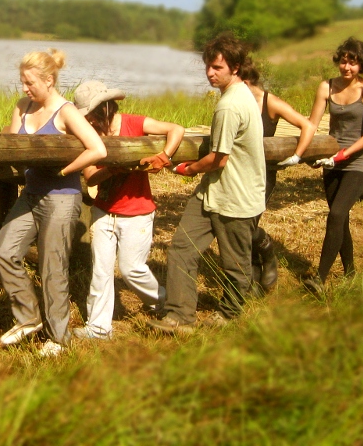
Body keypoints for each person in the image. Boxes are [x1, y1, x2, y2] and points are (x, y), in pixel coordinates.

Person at [147, 33, 266, 334]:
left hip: (235, 196)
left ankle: (230, 314)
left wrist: (188, 168)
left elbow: (218, 159)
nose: (210, 73)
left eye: (217, 68)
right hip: (213, 192)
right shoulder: (241, 95)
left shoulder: (230, 105)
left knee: (235, 264)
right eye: (208, 67)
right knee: (182, 249)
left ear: (236, 68)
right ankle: (179, 317)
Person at [0, 49, 107, 357]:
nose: (24, 89)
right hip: (30, 194)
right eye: (22, 82)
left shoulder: (66, 111)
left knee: (52, 267)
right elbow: (14, 141)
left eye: (30, 83)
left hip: (60, 198)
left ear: (49, 79)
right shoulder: (23, 106)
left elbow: (97, 149)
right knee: (4, 251)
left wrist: (65, 169)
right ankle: (28, 318)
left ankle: (58, 337)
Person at [70, 80, 185, 340]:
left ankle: (162, 302)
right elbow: (91, 177)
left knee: (132, 268)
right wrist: (112, 170)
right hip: (104, 211)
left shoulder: (135, 123)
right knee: (101, 270)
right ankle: (99, 328)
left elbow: (176, 129)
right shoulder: (89, 136)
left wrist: (164, 155)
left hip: (137, 210)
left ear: (103, 109)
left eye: (88, 115)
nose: (86, 121)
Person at [305, 37, 363, 294]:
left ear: (362, 65)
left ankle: (319, 277)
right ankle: (350, 272)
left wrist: (344, 154)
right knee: (342, 219)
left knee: (336, 215)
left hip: (358, 162)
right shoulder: (326, 87)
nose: (347, 68)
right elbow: (312, 124)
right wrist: (305, 153)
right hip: (331, 161)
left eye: (353, 63)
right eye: (344, 61)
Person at [240, 60, 316, 294]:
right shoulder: (234, 100)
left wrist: (296, 156)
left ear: (245, 80)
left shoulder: (269, 102)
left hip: (263, 172)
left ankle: (267, 251)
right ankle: (251, 274)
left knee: (248, 223)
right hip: (236, 171)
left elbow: (308, 125)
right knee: (238, 223)